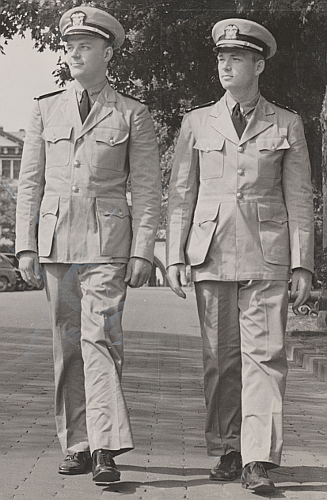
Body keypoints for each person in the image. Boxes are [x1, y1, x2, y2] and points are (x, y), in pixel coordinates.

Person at [166, 18, 314, 494]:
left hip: (268, 255)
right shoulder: (196, 122)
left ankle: (258, 459)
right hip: (210, 254)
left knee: (266, 357)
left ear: (259, 64)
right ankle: (229, 448)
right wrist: (173, 256)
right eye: (220, 58)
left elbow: (299, 198)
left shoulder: (287, 123)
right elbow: (181, 195)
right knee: (220, 359)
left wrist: (302, 263)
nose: (225, 65)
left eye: (235, 58)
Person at [16, 5, 161, 486]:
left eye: (84, 46)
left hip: (106, 244)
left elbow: (145, 188)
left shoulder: (133, 113)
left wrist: (143, 250)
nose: (74, 54)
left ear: (107, 52)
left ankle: (103, 446)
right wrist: (25, 247)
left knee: (100, 341)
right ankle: (75, 443)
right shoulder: (44, 109)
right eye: (69, 46)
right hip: (56, 244)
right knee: (67, 348)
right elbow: (31, 184)